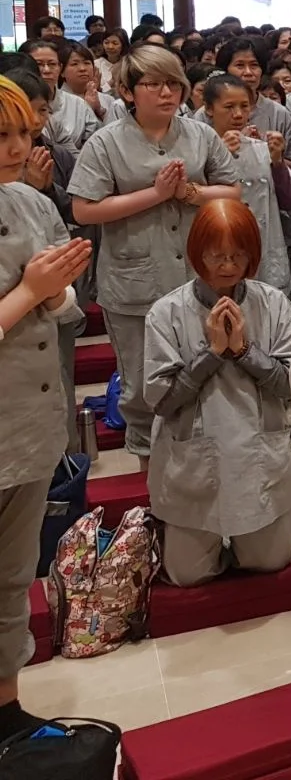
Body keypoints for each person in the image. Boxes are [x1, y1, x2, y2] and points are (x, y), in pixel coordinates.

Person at [69, 45, 241, 465]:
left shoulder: (200, 135)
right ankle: (152, 483)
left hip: (200, 275)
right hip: (134, 284)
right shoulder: (107, 142)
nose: (167, 93)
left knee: (208, 373)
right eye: (154, 84)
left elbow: (233, 190)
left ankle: (206, 475)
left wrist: (190, 193)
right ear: (128, 92)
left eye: (173, 84)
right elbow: (84, 209)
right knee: (145, 388)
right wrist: (156, 194)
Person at [0, 76, 92, 744]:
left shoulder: (30, 203)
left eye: (23, 133)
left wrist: (55, 293)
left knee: (12, 579)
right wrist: (32, 290)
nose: (16, 148)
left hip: (29, 424)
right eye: (1, 135)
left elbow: (66, 306)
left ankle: (7, 707)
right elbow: (35, 293)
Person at [144, 199, 291, 586]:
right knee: (187, 575)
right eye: (216, 255)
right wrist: (211, 354)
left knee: (271, 560)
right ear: (198, 253)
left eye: (238, 255)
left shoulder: (274, 304)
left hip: (257, 455)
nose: (228, 265)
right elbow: (162, 401)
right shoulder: (166, 312)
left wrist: (244, 351)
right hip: (193, 461)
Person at [201, 75, 291, 294]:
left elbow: (289, 201)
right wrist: (220, 154)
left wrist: (278, 162)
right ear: (209, 109)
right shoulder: (200, 150)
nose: (238, 114)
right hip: (220, 249)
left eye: (244, 106)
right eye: (229, 107)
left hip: (265, 249)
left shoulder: (261, 148)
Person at [203, 36, 291, 163]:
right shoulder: (205, 114)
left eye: (254, 65)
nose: (248, 72)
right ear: (225, 69)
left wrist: (269, 154)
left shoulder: (279, 113)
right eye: (240, 65)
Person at [22, 39, 96, 156]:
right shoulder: (16, 105)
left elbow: (94, 147)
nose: (46, 70)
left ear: (60, 68)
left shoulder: (78, 104)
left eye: (52, 64)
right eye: (39, 64)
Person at [59, 40, 109, 126]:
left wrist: (99, 110)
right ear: (61, 71)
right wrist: (88, 109)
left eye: (87, 63)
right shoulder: (57, 102)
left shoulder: (108, 99)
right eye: (74, 64)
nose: (82, 68)